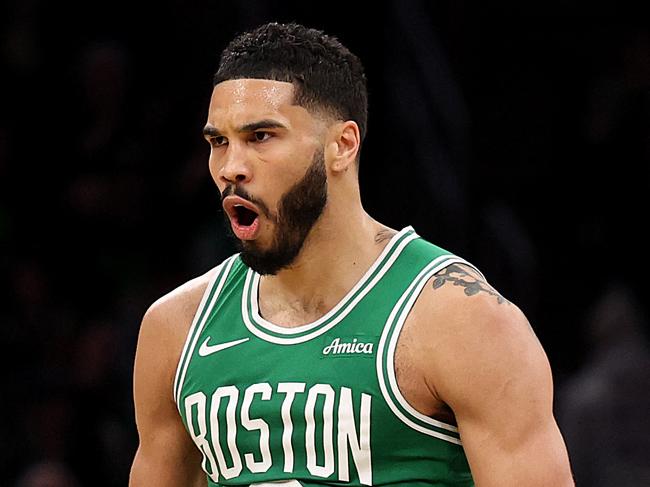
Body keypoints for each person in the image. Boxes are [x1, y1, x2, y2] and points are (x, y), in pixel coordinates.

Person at [130, 22, 574, 486]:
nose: (231, 168)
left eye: (261, 136)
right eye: (219, 142)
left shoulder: (460, 319)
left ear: (342, 145)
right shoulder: (175, 328)